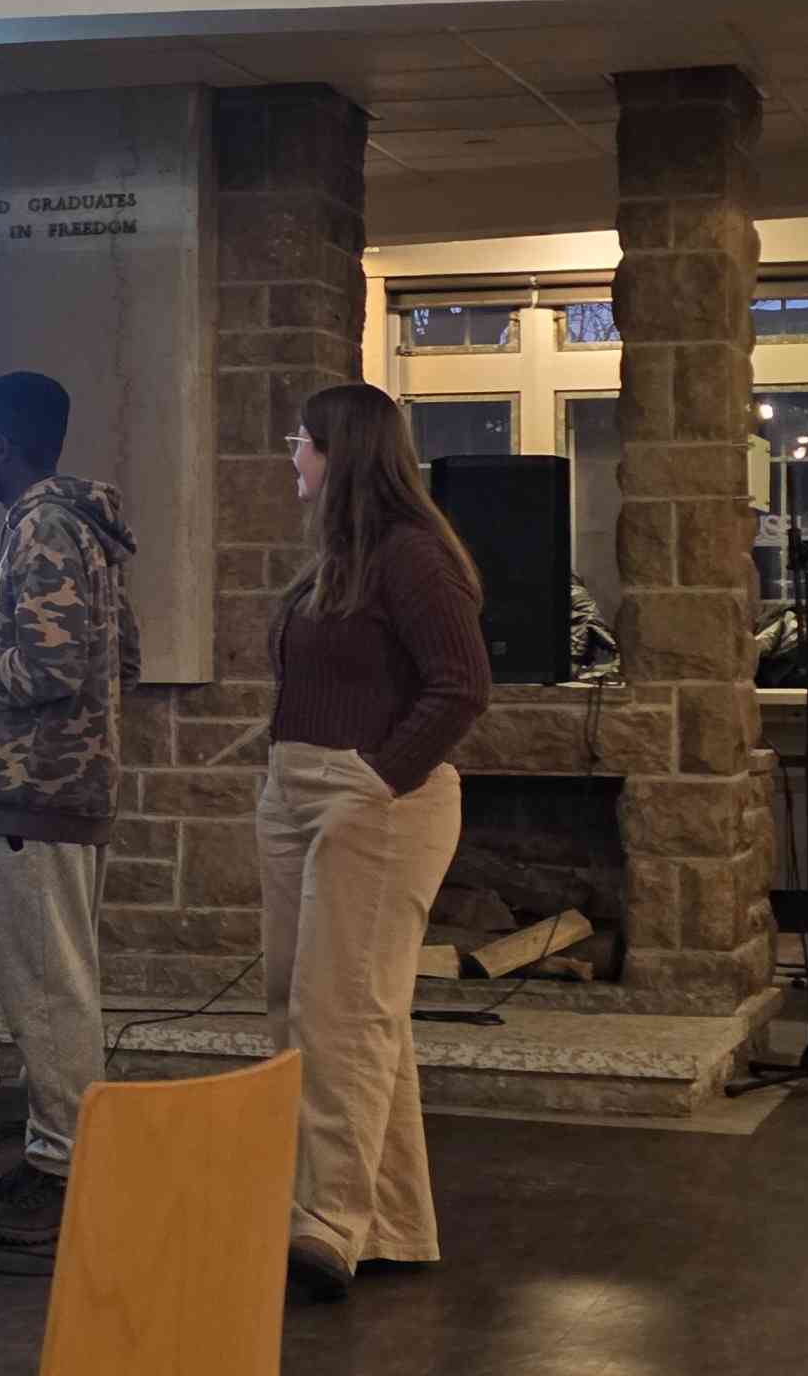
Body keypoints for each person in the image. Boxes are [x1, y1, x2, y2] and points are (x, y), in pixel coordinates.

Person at [260, 382, 489, 1303]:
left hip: (377, 803)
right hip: (299, 792)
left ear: (341, 452)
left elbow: (462, 685)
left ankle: (326, 1223)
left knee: (341, 1013)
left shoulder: (412, 556)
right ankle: (389, 1218)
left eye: (302, 441)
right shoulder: (339, 558)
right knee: (309, 1003)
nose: (293, 455)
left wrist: (377, 779)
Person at [0, 372, 141, 1251]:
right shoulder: (83, 529)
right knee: (59, 982)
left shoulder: (43, 527)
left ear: (3, 446)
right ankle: (63, 1154)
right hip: (69, 786)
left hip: (39, 791)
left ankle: (63, 1175)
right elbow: (122, 658)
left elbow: (52, 668)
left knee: (48, 991)